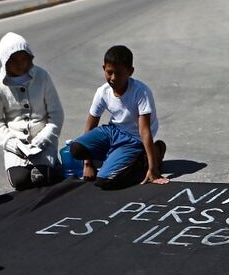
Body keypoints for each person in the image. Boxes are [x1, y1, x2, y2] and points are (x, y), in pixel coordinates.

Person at [69, 45, 168, 189]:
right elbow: (91, 125)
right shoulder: (102, 91)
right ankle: (116, 156)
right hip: (113, 131)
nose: (113, 78)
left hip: (134, 139)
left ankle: (153, 153)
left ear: (130, 72)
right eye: (109, 72)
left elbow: (144, 130)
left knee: (105, 181)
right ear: (104, 68)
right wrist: (88, 164)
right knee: (76, 148)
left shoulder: (141, 92)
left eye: (119, 73)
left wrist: (153, 169)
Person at [0, 32, 65, 190]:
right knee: (20, 181)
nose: (20, 64)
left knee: (41, 177)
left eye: (24, 59)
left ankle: (51, 166)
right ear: (5, 61)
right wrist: (13, 143)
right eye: (14, 60)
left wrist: (44, 138)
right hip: (17, 146)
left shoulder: (42, 76)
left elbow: (56, 114)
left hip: (43, 142)